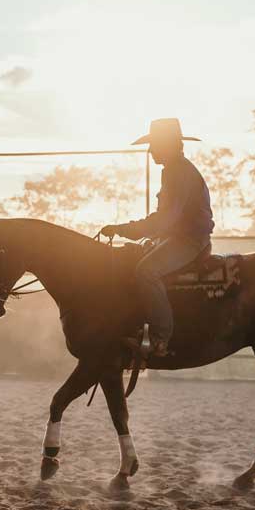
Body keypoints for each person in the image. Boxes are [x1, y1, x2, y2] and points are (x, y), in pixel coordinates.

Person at [100, 118, 214, 357]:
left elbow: (165, 219)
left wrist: (123, 229)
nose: (151, 150)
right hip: (181, 237)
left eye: (155, 144)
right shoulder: (175, 170)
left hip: (189, 240)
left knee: (146, 271)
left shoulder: (178, 172)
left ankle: (160, 338)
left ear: (169, 145)